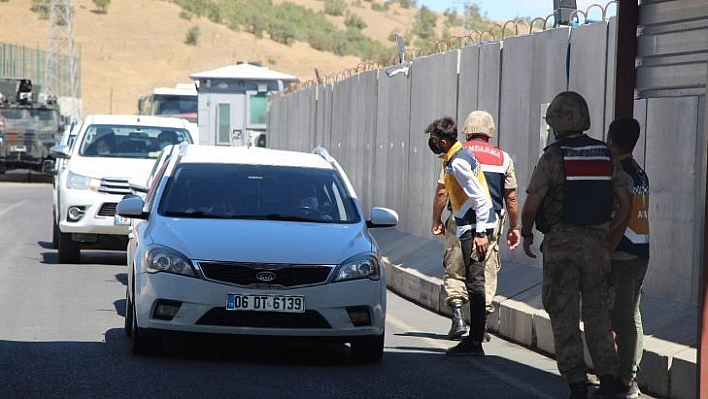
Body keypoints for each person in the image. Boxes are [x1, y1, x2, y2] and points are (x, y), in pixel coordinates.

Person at [519, 91, 631, 398]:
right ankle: (608, 379)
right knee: (598, 314)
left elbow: (530, 207)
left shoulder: (553, 156)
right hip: (597, 248)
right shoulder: (605, 154)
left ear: (555, 121)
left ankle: (577, 383)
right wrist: (607, 238)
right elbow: (625, 205)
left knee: (564, 314)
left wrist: (527, 234)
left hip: (560, 247)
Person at [431, 110, 520, 340]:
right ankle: (481, 326)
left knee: (455, 264)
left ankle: (458, 316)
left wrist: (436, 220)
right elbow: (510, 197)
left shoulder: (456, 154)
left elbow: (443, 191)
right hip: (491, 223)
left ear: (467, 132)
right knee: (486, 267)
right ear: (489, 132)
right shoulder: (504, 158)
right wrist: (515, 227)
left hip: (460, 219)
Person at [425, 116, 496, 356]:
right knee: (473, 283)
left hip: (474, 228)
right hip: (469, 226)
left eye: (433, 140)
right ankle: (474, 338)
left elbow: (482, 200)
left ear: (444, 141)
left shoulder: (458, 162)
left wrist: (481, 233)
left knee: (475, 285)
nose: (432, 143)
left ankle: (474, 342)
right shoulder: (455, 157)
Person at [606, 117, 649, 399]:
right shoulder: (640, 171)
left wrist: (606, 247)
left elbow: (621, 215)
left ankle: (626, 379)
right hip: (640, 248)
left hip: (623, 251)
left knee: (621, 318)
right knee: (632, 314)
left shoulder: (620, 172)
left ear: (611, 139)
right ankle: (630, 371)